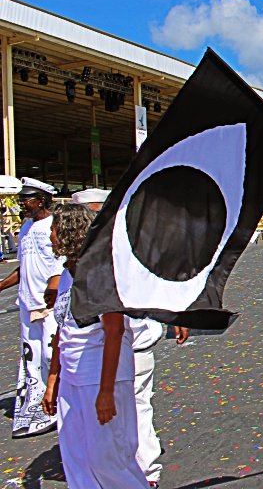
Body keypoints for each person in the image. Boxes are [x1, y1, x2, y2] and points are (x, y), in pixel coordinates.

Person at [69, 187, 189, 488]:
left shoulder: (115, 248)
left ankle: (144, 473)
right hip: (111, 346)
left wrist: (177, 315)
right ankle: (135, 470)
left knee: (133, 411)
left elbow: (160, 278)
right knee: (126, 416)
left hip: (131, 341)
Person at [41, 203, 150, 487]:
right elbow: (61, 330)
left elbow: (114, 331)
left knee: (107, 458)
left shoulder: (101, 272)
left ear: (68, 231)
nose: (50, 235)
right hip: (72, 377)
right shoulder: (66, 275)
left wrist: (105, 392)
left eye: (54, 229)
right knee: (76, 455)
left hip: (100, 374)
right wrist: (54, 379)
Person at [0, 177, 63, 437]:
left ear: (42, 200)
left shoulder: (54, 226)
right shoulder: (26, 227)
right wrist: (2, 285)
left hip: (48, 305)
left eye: (26, 199)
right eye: (21, 199)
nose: (22, 204)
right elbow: (24, 266)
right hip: (27, 304)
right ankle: (35, 407)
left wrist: (54, 290)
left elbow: (61, 264)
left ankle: (59, 403)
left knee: (53, 356)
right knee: (32, 358)